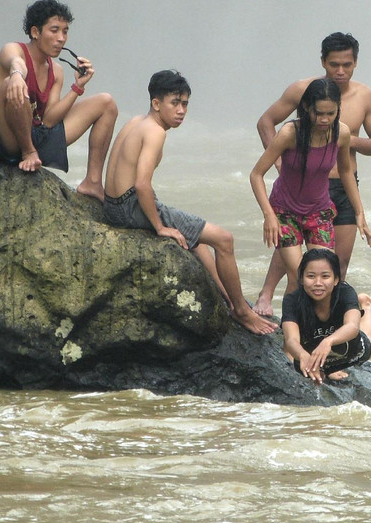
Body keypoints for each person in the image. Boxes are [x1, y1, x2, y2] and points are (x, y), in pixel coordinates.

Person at [102, 70, 277, 336]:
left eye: (185, 104)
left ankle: (229, 300)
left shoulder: (134, 122)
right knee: (224, 239)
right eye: (175, 103)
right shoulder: (155, 132)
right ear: (156, 103)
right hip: (130, 206)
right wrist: (160, 227)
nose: (182, 110)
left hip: (113, 205)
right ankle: (242, 311)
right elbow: (142, 184)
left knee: (197, 241)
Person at [253, 32, 371, 315]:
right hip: (301, 184)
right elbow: (266, 122)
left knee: (334, 264)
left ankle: (322, 319)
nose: (340, 71)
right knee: (294, 257)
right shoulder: (304, 92)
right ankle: (267, 297)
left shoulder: (364, 97)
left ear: (355, 64)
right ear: (323, 62)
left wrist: (345, 140)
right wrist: (280, 162)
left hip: (341, 186)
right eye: (334, 64)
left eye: (347, 65)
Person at [0, 0, 118, 199]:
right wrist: (17, 75)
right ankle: (28, 152)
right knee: (11, 84)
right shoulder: (14, 49)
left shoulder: (57, 70)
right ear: (35, 32)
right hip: (7, 138)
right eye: (54, 30)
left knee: (107, 103)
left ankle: (93, 182)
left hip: (37, 132)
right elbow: (15, 61)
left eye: (65, 31)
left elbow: (50, 119)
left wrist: (77, 88)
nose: (61, 38)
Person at [281, 247, 371, 383]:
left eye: (325, 276)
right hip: (313, 355)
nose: (318, 283)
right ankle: (326, 368)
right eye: (311, 276)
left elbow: (352, 326)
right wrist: (302, 355)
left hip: (352, 350)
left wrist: (328, 341)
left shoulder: (345, 292)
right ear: (302, 279)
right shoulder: (292, 300)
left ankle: (367, 305)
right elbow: (291, 339)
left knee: (368, 345)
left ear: (336, 280)